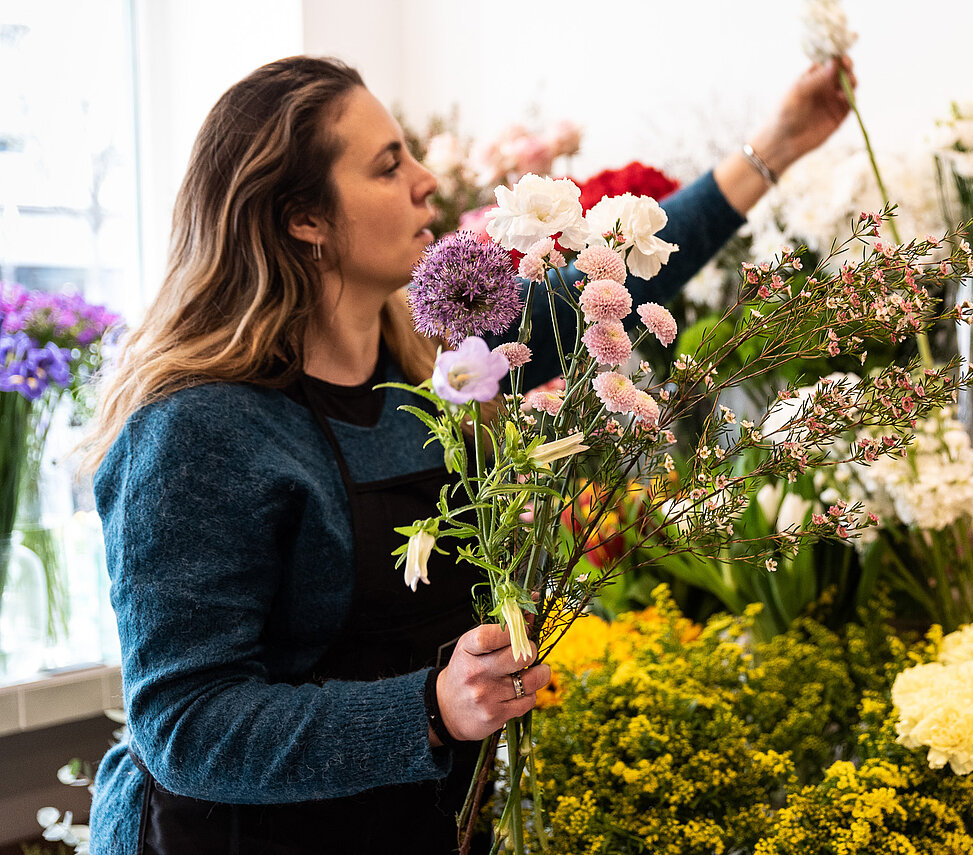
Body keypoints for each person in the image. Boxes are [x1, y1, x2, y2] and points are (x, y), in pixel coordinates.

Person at [83, 53, 854, 854]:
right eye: (389, 166)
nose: (425, 181)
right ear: (302, 217)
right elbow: (185, 722)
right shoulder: (198, 430)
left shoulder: (439, 365)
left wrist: (778, 144)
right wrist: (426, 709)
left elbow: (616, 282)